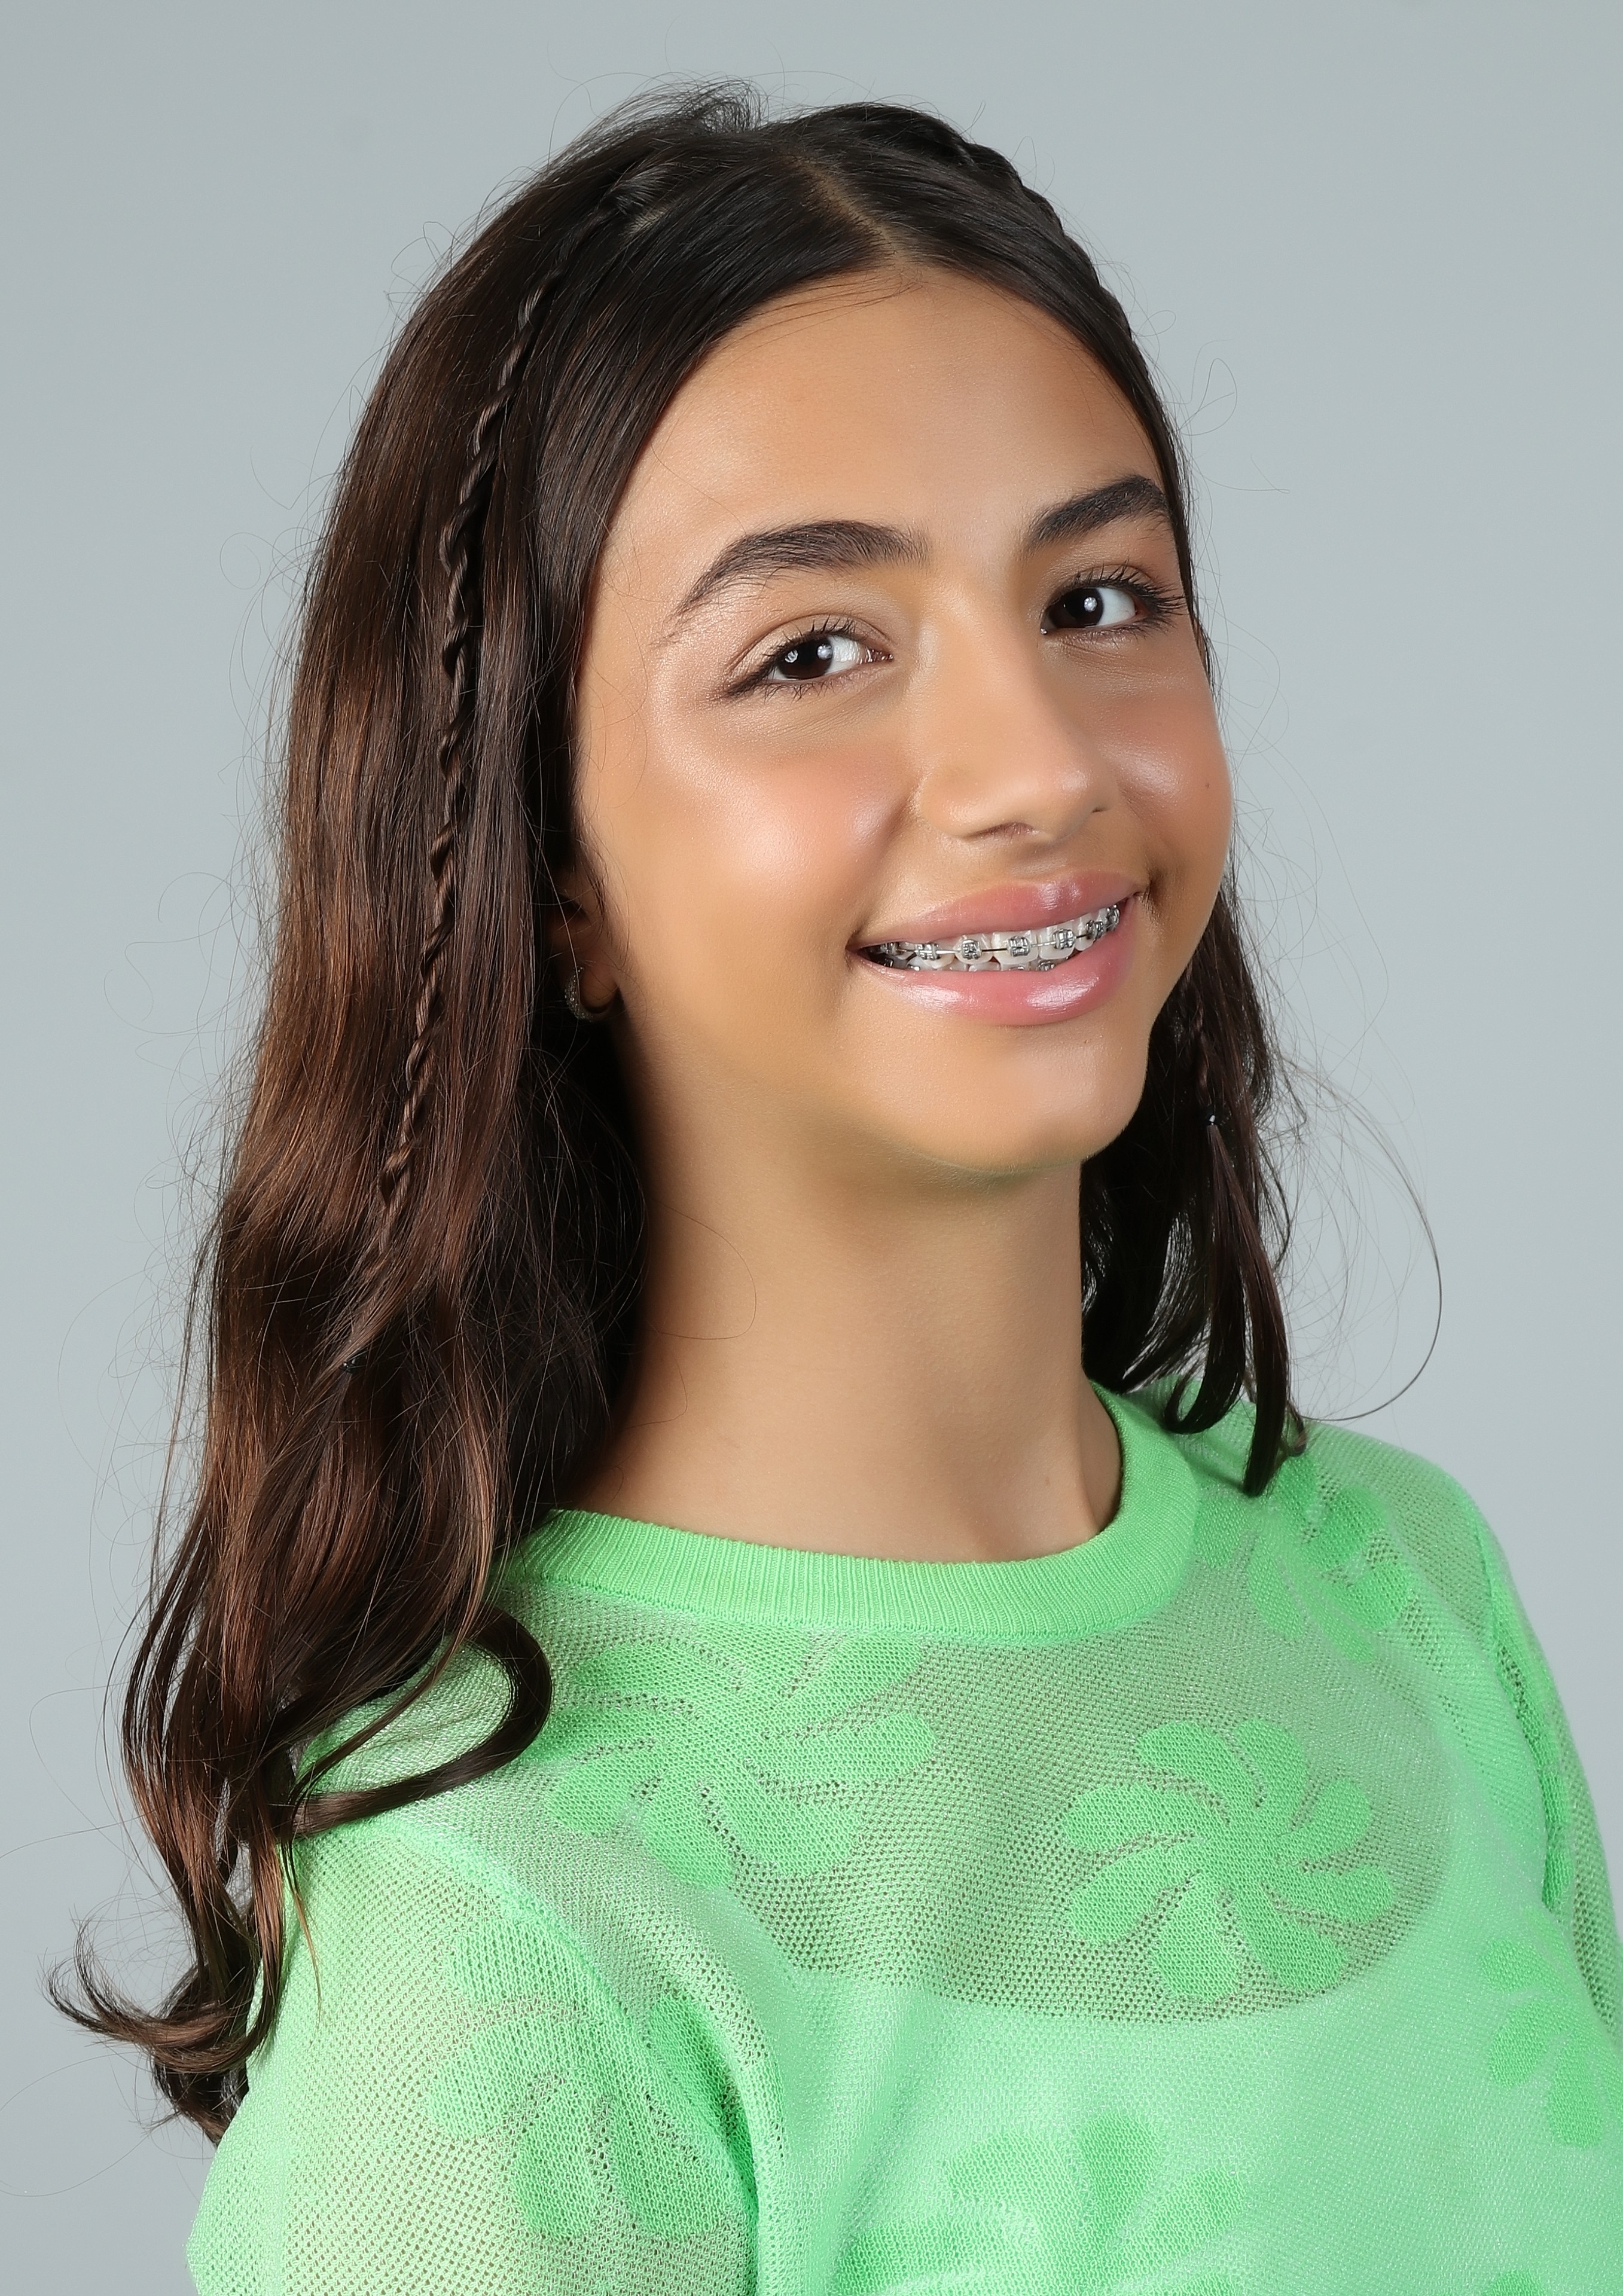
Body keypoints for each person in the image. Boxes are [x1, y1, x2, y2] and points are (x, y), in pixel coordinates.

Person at [68, 84, 1622, 2295]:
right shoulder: (500, 1913)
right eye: (811, 653)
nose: (1038, 767)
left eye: (1097, 598)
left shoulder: (1407, 1595)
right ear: (545, 872)